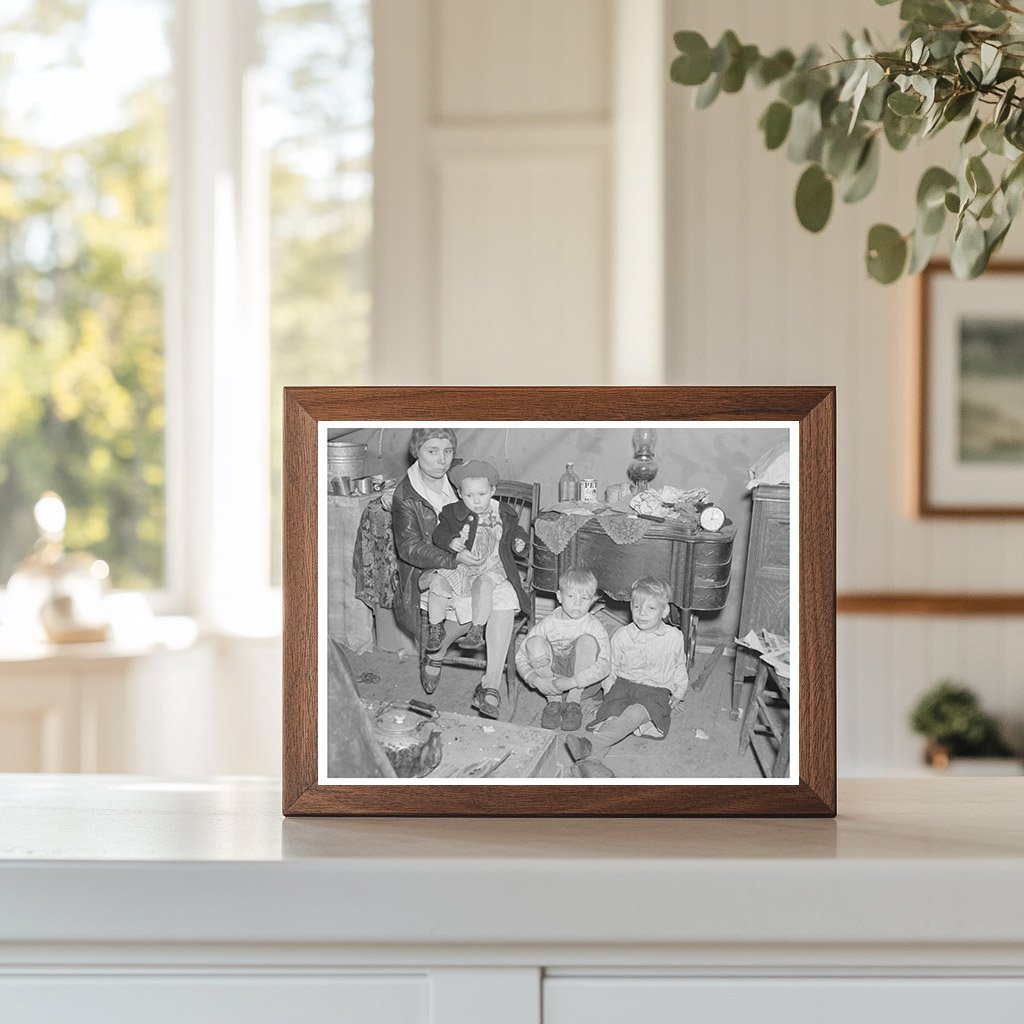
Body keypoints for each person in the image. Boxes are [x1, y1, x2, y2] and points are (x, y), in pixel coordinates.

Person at [389, 434, 520, 717]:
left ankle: (490, 685)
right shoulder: (405, 495)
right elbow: (409, 548)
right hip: (427, 569)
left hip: (475, 564)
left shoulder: (460, 476)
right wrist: (453, 556)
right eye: (432, 451)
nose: (441, 459)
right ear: (416, 452)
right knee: (481, 596)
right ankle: (436, 654)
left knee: (503, 596)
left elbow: (488, 501)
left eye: (447, 451)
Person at [564, 577, 688, 774]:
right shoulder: (622, 635)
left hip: (654, 690)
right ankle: (592, 764)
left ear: (664, 611)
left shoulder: (674, 637)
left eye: (651, 609)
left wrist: (679, 692)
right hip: (623, 685)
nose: (642, 613)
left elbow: (679, 665)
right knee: (612, 718)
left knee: (633, 714)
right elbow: (611, 668)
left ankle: (590, 744)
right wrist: (608, 696)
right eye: (637, 606)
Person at [427, 460, 528, 656]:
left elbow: (517, 531)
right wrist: (450, 541)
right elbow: (439, 534)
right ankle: (436, 627)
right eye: (469, 495)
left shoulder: (503, 513)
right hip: (461, 566)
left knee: (484, 584)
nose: (476, 501)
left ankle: (476, 629)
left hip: (491, 566)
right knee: (438, 582)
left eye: (482, 494)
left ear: (492, 490)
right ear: (459, 494)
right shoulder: (451, 512)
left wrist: (519, 542)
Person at [515, 568, 611, 732]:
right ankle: (553, 701)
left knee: (587, 641)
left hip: (582, 684)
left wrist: (573, 682)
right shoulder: (548, 622)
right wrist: (536, 680)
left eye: (584, 598)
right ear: (559, 596)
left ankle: (573, 704)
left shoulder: (593, 626)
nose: (577, 603)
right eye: (571, 596)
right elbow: (520, 656)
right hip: (550, 682)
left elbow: (605, 665)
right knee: (534, 642)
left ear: (592, 601)